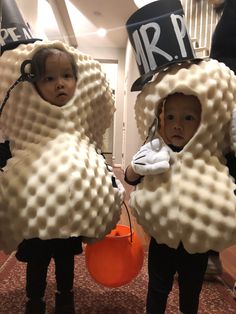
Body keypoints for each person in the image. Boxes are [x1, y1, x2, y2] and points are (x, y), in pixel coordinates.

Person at [0, 47, 80, 314]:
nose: (60, 83)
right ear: (34, 84)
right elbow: (10, 149)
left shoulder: (78, 121)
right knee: (37, 261)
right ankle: (34, 302)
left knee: (66, 260)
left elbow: (91, 153)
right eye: (49, 78)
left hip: (67, 210)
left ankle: (65, 297)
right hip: (36, 211)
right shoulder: (26, 120)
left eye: (67, 75)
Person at [125, 92, 209, 314]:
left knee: (191, 290)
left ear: (202, 123)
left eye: (188, 118)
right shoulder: (156, 151)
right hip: (163, 237)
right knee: (157, 287)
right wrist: (136, 167)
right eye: (170, 117)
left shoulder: (208, 156)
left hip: (196, 240)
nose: (177, 125)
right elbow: (130, 177)